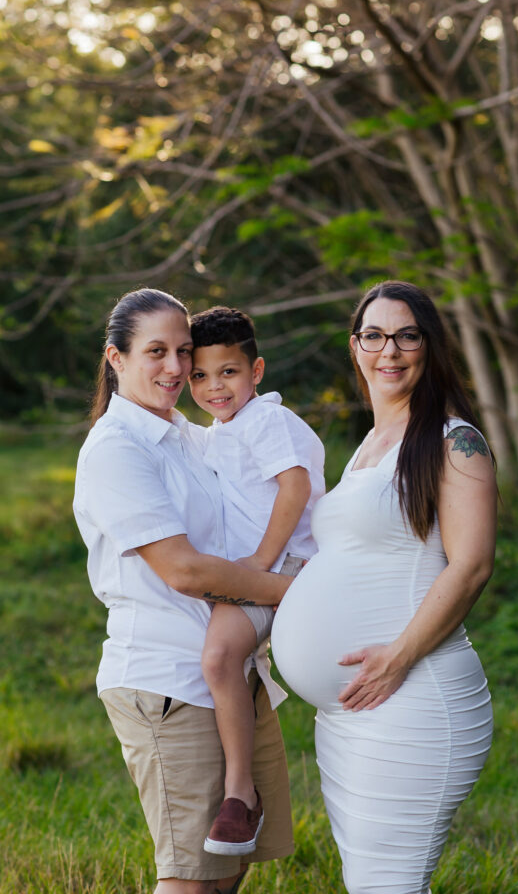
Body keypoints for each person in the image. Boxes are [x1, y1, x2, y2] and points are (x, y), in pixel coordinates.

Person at [271, 279, 497, 894]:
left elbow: (472, 565)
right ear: (355, 347)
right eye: (374, 335)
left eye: (406, 335)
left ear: (429, 346)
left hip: (413, 697)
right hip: (352, 714)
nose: (389, 350)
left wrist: (399, 657)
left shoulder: (456, 441)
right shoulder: (370, 446)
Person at [73, 288, 295, 894]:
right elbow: (185, 571)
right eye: (156, 352)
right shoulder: (117, 450)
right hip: (167, 680)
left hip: (232, 674)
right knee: (192, 880)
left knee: (227, 873)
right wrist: (293, 591)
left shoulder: (193, 438)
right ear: (116, 359)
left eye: (183, 351)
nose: (175, 368)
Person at [187, 306, 325, 856]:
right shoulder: (222, 429)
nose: (214, 386)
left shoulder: (266, 420)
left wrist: (259, 568)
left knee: (219, 657)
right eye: (199, 375)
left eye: (229, 371)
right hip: (257, 567)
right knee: (224, 660)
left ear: (257, 370)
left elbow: (293, 489)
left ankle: (241, 794)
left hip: (284, 564)